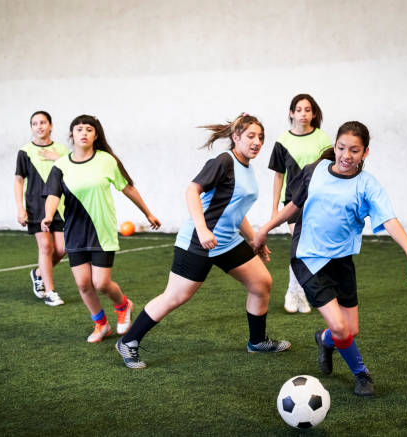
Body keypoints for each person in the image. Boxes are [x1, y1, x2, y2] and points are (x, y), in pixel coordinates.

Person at [253, 121, 407, 396]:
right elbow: (293, 206)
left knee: (349, 330)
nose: (346, 156)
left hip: (341, 262)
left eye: (354, 150)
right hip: (308, 258)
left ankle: (325, 340)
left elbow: (389, 219)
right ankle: (362, 374)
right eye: (341, 148)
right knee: (340, 326)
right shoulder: (314, 172)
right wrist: (265, 228)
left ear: (365, 153)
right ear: (334, 146)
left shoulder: (367, 185)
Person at [115, 113, 291, 369]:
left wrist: (254, 239)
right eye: (251, 136)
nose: (256, 142)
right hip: (198, 242)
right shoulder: (223, 161)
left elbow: (233, 208)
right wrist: (202, 229)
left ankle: (257, 341)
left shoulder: (247, 168)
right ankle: (128, 342)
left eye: (260, 137)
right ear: (236, 137)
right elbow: (192, 191)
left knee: (261, 282)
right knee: (175, 296)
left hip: (227, 241)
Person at [42, 114, 161, 343]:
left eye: (89, 129)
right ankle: (101, 324)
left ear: (96, 135)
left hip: (102, 230)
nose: (83, 133)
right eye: (79, 129)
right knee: (83, 283)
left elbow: (127, 188)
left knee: (101, 283)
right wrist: (48, 216)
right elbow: (53, 195)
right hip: (74, 231)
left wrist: (147, 212)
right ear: (71, 135)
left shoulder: (107, 160)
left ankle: (123, 305)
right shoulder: (61, 165)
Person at [268, 94, 331, 314]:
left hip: (319, 203)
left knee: (313, 249)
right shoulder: (283, 141)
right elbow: (278, 176)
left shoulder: (323, 139)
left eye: (307, 110)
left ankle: (305, 290)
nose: (303, 114)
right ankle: (294, 291)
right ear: (291, 113)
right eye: (299, 109)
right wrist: (275, 208)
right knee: (301, 246)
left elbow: (330, 172)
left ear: (314, 113)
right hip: (293, 203)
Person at [14, 111, 67, 306]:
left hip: (60, 206)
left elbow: (71, 172)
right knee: (46, 246)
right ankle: (50, 292)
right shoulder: (25, 151)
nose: (39, 127)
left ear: (51, 125)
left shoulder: (62, 150)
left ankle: (37, 273)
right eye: (34, 124)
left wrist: (57, 158)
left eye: (43, 122)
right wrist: (20, 208)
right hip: (36, 206)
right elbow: (18, 180)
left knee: (61, 249)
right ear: (31, 128)